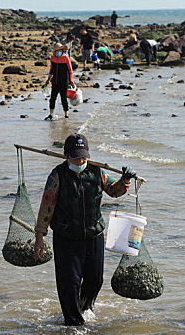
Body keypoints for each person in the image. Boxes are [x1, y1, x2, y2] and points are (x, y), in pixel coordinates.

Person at [34, 133, 137, 326]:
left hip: (93, 235)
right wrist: (39, 236)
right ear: (66, 156)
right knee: (69, 284)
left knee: (95, 280)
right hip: (66, 238)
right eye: (76, 157)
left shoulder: (97, 172)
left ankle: (84, 308)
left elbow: (114, 191)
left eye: (83, 156)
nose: (80, 160)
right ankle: (73, 323)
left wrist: (125, 180)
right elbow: (46, 207)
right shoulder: (58, 175)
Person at [44, 43, 75, 120]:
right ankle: (51, 114)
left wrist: (71, 80)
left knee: (63, 99)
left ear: (62, 50)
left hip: (64, 82)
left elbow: (70, 70)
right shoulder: (53, 58)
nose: (58, 52)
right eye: (56, 51)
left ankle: (66, 115)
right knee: (52, 98)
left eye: (59, 50)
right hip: (55, 82)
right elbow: (51, 70)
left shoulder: (66, 58)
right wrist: (48, 80)